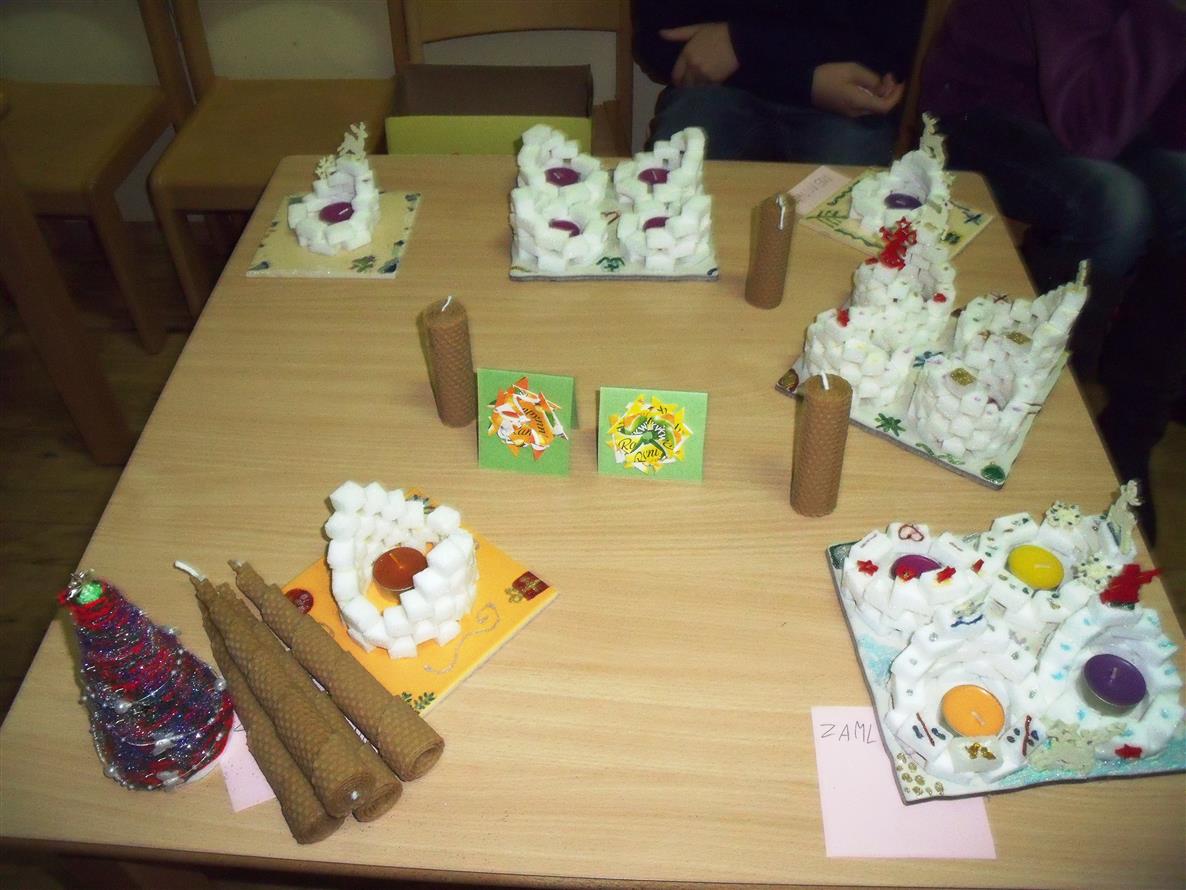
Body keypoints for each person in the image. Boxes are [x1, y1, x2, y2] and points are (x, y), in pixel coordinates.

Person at [922, 0, 1186, 543]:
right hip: (982, 108)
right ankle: (1041, 419)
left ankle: (1128, 436)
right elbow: (1089, 130)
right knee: (1116, 208)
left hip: (1103, 116)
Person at [633, 1, 924, 165]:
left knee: (849, 209)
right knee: (672, 195)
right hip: (719, 91)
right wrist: (805, 83)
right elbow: (658, 41)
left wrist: (742, 43)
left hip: (844, 104)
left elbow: (891, 52)